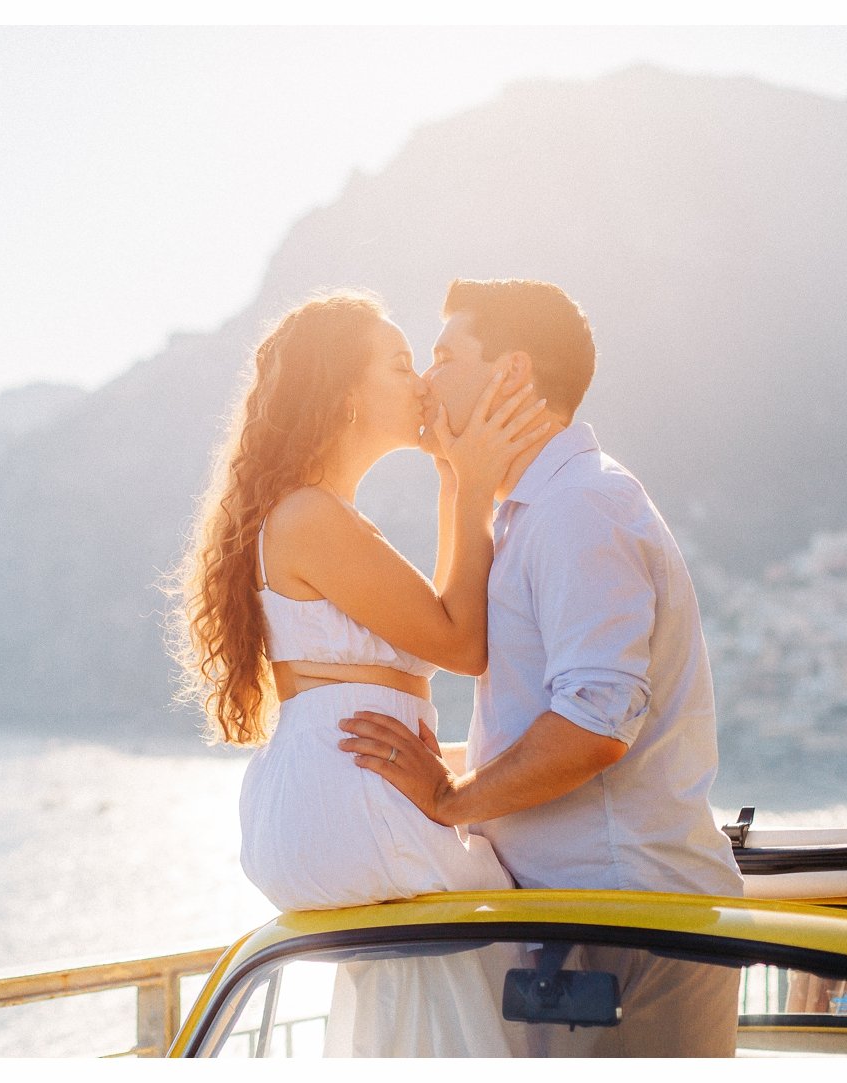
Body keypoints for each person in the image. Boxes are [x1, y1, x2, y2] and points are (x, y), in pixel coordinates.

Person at [338, 277, 745, 1057]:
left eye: (445, 355)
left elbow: (596, 721)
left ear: (512, 374)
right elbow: (552, 713)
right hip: (594, 930)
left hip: (630, 929)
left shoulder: (578, 508)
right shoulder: (539, 509)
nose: (425, 379)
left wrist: (452, 798)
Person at [169, 289, 550, 1056]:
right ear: (346, 393)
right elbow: (460, 641)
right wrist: (470, 481)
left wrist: (454, 476)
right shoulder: (310, 515)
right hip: (347, 793)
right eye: (400, 365)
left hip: (343, 785)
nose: (420, 383)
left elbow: (438, 636)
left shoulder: (319, 514)